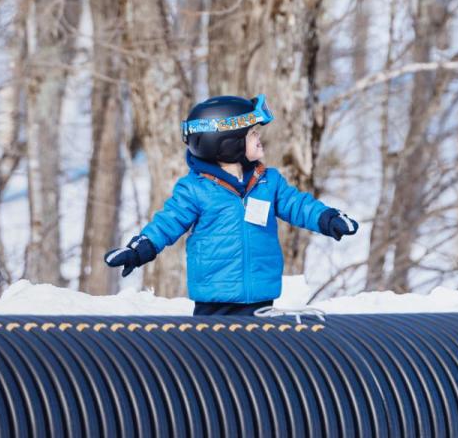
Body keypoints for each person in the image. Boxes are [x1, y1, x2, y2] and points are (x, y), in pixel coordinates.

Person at [104, 94, 359, 316]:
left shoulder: (269, 182)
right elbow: (168, 222)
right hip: (215, 300)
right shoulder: (195, 188)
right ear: (227, 142)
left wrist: (327, 218)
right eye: (252, 134)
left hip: (260, 297)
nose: (259, 139)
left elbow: (298, 205)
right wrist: (140, 249)